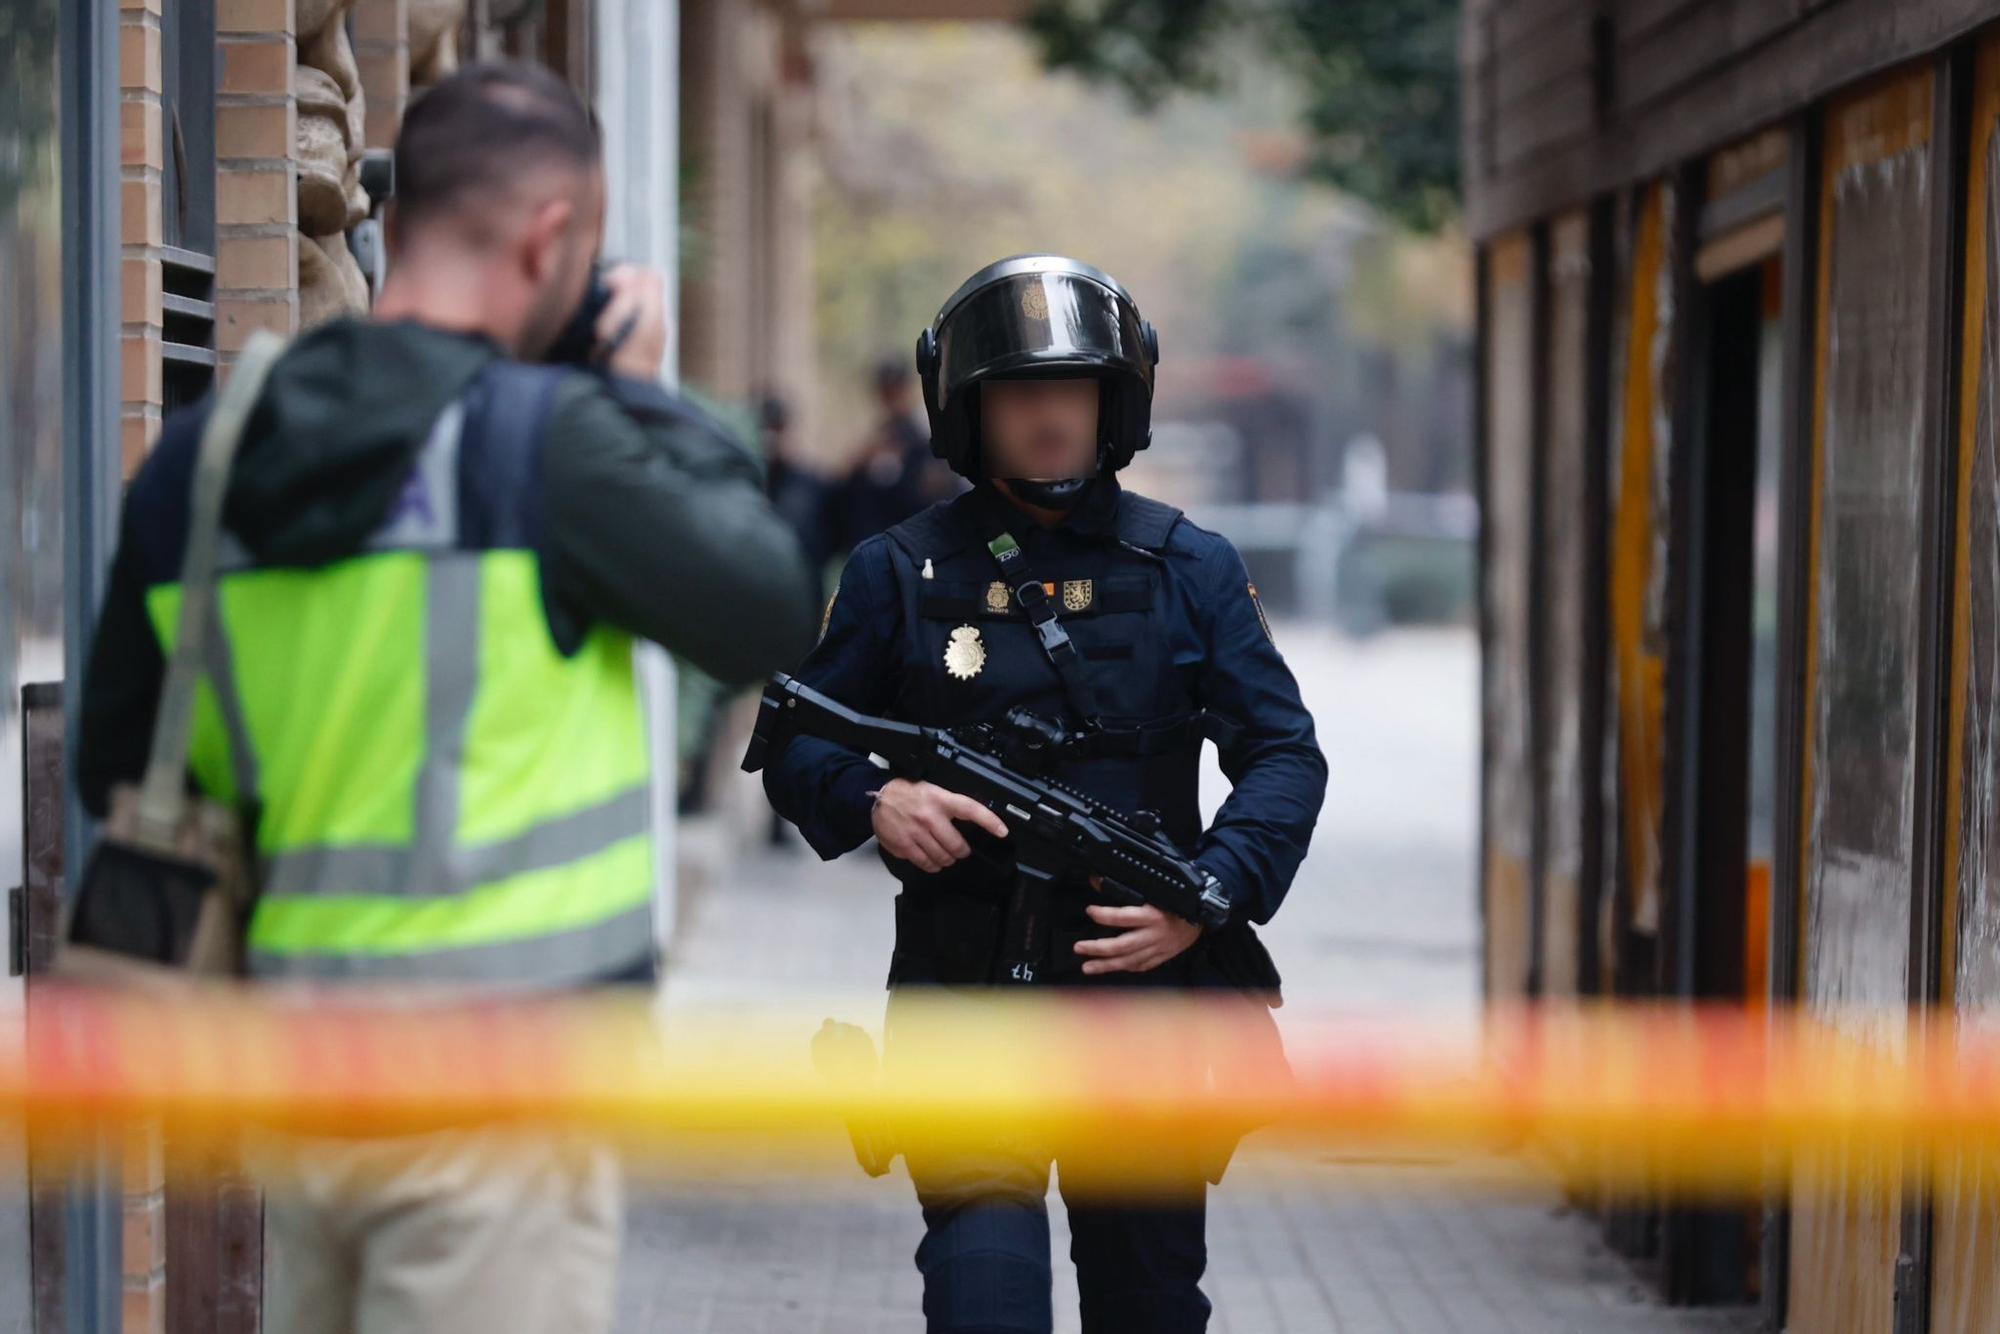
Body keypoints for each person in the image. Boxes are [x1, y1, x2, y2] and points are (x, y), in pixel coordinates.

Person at [76, 61, 820, 1334]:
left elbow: (115, 764)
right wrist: (637, 391)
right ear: (549, 240)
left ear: (395, 216)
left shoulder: (206, 463)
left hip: (301, 1083)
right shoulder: (544, 446)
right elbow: (769, 608)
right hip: (503, 1094)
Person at [761, 255, 1327, 1333]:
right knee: (984, 1300)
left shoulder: (1187, 567)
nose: (1049, 416)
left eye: (1070, 389)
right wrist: (877, 799)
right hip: (966, 1005)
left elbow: (1284, 753)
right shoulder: (900, 572)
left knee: (1148, 1306)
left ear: (1112, 401)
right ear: (970, 411)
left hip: (1145, 1016)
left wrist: (1205, 888)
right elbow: (794, 744)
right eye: (1021, 392)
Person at [837, 356, 959, 547]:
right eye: (886, 391)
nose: (891, 398)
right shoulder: (879, 436)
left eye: (895, 390)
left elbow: (938, 486)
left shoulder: (926, 432)